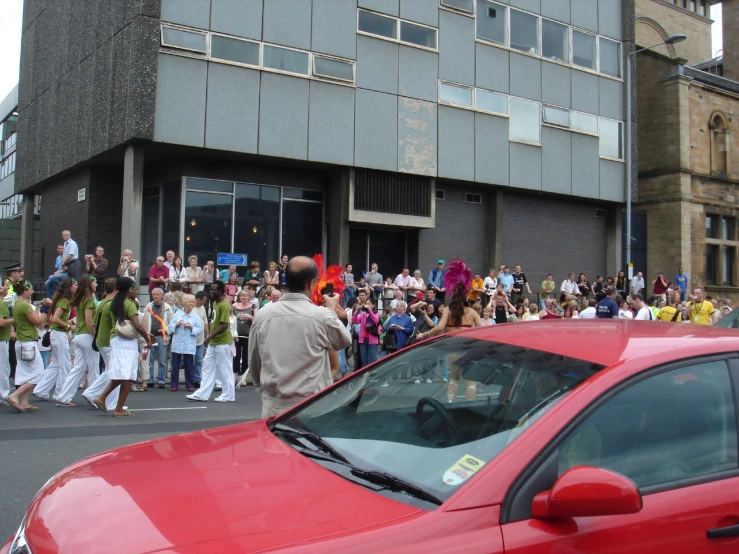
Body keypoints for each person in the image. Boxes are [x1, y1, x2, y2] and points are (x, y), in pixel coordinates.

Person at [248, 256, 351, 417]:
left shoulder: (263, 315)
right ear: (311, 283)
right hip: (312, 405)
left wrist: (266, 390)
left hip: (274, 404)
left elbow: (255, 363)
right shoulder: (321, 315)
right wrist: (331, 309)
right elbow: (344, 340)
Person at [418, 265, 482, 402]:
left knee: (454, 379)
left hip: (453, 348)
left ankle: (450, 403)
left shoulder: (448, 309)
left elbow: (439, 327)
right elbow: (482, 331)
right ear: (466, 294)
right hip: (469, 348)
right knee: (471, 381)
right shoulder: (472, 312)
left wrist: (424, 334)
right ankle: (470, 408)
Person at [93, 278, 151, 417]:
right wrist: (147, 338)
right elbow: (137, 325)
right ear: (129, 290)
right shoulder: (129, 304)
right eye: (135, 289)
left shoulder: (114, 302)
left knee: (122, 374)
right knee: (127, 376)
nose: (136, 291)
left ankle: (103, 399)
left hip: (115, 339)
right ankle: (117, 408)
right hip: (126, 342)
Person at [186, 281, 237, 403]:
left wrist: (209, 337)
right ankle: (202, 393)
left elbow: (224, 325)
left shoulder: (225, 304)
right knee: (207, 367)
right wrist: (210, 337)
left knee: (224, 368)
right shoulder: (215, 303)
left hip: (223, 342)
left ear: (221, 291)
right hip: (214, 342)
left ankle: (229, 394)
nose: (211, 292)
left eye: (214, 290)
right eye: (211, 289)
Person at [54, 275, 100, 406]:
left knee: (78, 369)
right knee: (93, 368)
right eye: (95, 282)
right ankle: (94, 397)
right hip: (87, 336)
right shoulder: (90, 299)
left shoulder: (79, 298)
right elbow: (89, 321)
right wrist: (96, 336)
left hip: (79, 336)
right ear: (90, 283)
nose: (96, 284)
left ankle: (63, 396)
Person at [5, 281, 48, 412]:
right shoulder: (24, 305)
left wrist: (38, 308)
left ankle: (24, 402)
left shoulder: (17, 304)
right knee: (39, 372)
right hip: (28, 342)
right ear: (24, 291)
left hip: (21, 342)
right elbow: (39, 322)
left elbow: (32, 318)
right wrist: (47, 309)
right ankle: (14, 396)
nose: (32, 291)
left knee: (25, 372)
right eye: (30, 289)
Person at [34, 277, 77, 401]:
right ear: (69, 287)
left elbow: (53, 317)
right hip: (59, 334)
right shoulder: (64, 301)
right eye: (75, 285)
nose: (76, 287)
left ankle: (41, 390)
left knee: (57, 364)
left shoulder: (60, 300)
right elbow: (55, 319)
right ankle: (61, 394)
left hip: (56, 333)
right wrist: (68, 326)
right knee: (65, 364)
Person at [82, 278, 121, 410]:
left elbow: (94, 322)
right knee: (115, 372)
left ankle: (94, 394)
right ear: (116, 289)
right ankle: (104, 400)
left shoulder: (101, 302)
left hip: (101, 340)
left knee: (109, 370)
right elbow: (116, 324)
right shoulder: (111, 304)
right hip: (109, 341)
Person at [167, 294, 201, 391]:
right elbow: (170, 328)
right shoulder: (177, 314)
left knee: (189, 365)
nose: (192, 304)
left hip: (189, 343)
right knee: (175, 365)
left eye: (193, 302)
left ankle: (190, 384)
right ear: (184, 303)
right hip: (178, 343)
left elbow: (199, 330)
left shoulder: (195, 317)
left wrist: (191, 327)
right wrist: (177, 324)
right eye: (190, 302)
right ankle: (174, 384)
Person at [142, 288, 173, 388]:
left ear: (161, 296)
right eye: (153, 294)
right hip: (151, 336)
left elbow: (172, 322)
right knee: (149, 359)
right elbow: (144, 321)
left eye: (157, 294)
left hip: (162, 336)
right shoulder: (148, 307)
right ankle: (150, 379)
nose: (155, 296)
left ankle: (161, 380)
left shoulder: (167, 308)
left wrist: (166, 331)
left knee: (162, 360)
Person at [232, 289, 256, 377]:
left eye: (245, 296)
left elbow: (257, 321)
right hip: (236, 334)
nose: (243, 297)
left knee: (246, 355)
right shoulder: (234, 306)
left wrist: (250, 317)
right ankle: (235, 374)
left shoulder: (253, 306)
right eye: (241, 295)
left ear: (249, 297)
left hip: (247, 334)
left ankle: (243, 376)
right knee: (236, 354)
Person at [352, 298, 381, 370]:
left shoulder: (376, 314)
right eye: (366, 304)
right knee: (364, 359)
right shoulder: (363, 314)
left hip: (372, 339)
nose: (367, 305)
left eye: (369, 304)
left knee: (373, 358)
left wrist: (370, 311)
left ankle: (373, 373)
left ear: (373, 305)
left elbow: (376, 320)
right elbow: (354, 321)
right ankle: (365, 374)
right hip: (363, 339)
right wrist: (357, 311)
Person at [0, 282, 14, 403]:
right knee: (4, 368)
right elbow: (1, 322)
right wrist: (15, 319)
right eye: (2, 287)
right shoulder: (0, 303)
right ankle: (3, 395)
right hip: (1, 339)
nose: (5, 288)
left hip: (3, 339)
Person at [192, 291, 208, 386]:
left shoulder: (202, 308)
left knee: (199, 360)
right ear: (198, 299)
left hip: (200, 339)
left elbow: (205, 322)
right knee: (191, 360)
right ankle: (191, 378)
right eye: (203, 301)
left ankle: (197, 379)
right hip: (192, 339)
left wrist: (207, 334)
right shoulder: (191, 308)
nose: (204, 303)